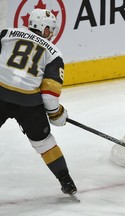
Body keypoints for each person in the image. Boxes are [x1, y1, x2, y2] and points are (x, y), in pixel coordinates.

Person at [0, 8, 77, 195]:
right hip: (28, 103)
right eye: (50, 29)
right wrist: (56, 114)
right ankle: (66, 181)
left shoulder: (6, 34)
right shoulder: (54, 53)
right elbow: (50, 93)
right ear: (43, 28)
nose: (51, 33)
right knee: (44, 143)